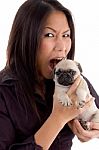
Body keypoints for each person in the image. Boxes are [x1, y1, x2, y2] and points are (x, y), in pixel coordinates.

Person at [0, 0, 99, 149]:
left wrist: (94, 128)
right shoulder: (4, 92)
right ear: (27, 38)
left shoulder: (71, 79)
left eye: (66, 35)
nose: (61, 46)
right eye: (49, 34)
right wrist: (58, 119)